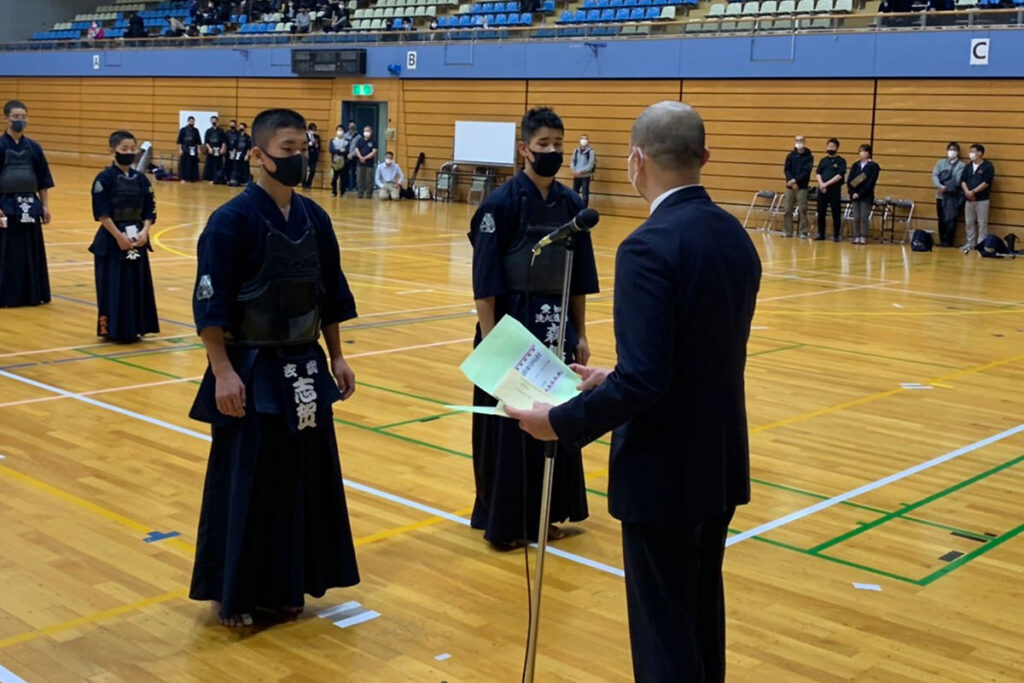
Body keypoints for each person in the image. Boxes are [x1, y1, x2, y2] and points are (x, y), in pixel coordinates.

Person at [505, 101, 761, 683]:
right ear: (706, 159)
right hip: (716, 462)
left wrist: (561, 419)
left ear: (635, 161)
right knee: (699, 615)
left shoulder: (647, 246)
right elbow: (683, 360)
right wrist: (611, 377)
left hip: (663, 471)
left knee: (663, 630)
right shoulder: (734, 235)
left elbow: (649, 380)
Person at [188, 108, 360, 628]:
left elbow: (328, 292)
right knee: (249, 481)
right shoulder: (230, 222)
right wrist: (222, 371)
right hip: (251, 368)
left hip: (304, 367)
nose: (299, 158)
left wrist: (337, 355)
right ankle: (233, 594)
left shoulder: (315, 217)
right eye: (287, 150)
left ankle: (289, 586)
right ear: (258, 156)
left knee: (302, 479)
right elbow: (209, 302)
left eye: (303, 149)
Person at [467, 106, 598, 548]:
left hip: (555, 333)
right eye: (543, 145)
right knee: (508, 430)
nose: (552, 152)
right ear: (524, 148)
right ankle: (504, 522)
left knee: (554, 423)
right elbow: (484, 285)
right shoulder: (499, 206)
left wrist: (580, 334)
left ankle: (545, 514)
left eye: (558, 145)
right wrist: (492, 344)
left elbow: (578, 281)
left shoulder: (572, 206)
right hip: (508, 333)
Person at [89, 130, 160, 343]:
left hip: (137, 236)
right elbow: (101, 213)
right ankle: (113, 329)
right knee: (114, 285)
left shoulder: (141, 179)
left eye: (132, 149)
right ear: (113, 151)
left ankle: (137, 326)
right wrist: (118, 236)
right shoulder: (104, 179)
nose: (129, 153)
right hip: (112, 238)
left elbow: (150, 209)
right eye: (124, 149)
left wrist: (145, 231)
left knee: (136, 284)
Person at [0, 100, 54, 308]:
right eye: (16, 117)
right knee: (7, 250)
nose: (20, 121)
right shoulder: (1, 146)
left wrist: (45, 206)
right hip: (6, 204)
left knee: (31, 249)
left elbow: (43, 180)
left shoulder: (34, 147)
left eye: (23, 117)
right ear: (6, 118)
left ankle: (32, 293)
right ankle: (7, 295)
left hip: (30, 205)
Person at [960, 143, 994, 253]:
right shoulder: (968, 166)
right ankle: (970, 243)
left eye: (973, 151)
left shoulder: (988, 166)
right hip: (968, 200)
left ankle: (981, 244)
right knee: (969, 222)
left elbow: (986, 182)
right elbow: (963, 180)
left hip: (982, 200)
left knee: (982, 223)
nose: (971, 154)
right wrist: (967, 192)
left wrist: (974, 192)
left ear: (980, 153)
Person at [932, 142, 965, 248]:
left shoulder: (961, 165)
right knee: (941, 219)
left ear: (958, 152)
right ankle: (942, 241)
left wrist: (947, 187)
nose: (952, 151)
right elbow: (935, 175)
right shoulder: (940, 163)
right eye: (950, 149)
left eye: (954, 150)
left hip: (952, 196)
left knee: (951, 219)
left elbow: (957, 179)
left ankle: (948, 241)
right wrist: (939, 186)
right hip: (940, 196)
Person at [847, 143, 880, 245]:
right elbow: (850, 181)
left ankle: (863, 236)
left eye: (864, 151)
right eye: (860, 151)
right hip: (854, 195)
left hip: (866, 195)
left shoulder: (873, 166)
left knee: (863, 217)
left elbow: (870, 183)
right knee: (856, 216)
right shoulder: (855, 165)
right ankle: (856, 236)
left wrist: (860, 193)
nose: (862, 153)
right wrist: (852, 192)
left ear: (868, 153)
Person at [815, 137, 846, 242]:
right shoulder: (823, 160)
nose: (830, 148)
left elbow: (840, 175)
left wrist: (826, 184)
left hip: (834, 190)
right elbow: (818, 173)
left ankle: (836, 235)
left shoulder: (841, 161)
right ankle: (821, 233)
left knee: (836, 213)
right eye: (828, 146)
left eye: (832, 146)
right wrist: (821, 185)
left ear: (837, 148)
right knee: (821, 212)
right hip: (822, 190)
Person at [781, 134, 813, 237]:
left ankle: (803, 231)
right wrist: (791, 181)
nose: (799, 142)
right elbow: (786, 169)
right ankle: (787, 231)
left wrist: (795, 181)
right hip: (790, 187)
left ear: (804, 141)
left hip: (802, 187)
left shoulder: (809, 157)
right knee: (787, 210)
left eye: (801, 140)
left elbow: (806, 172)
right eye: (797, 140)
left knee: (802, 210)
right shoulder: (790, 155)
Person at [570, 134, 596, 207]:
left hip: (585, 176)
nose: (583, 140)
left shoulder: (591, 152)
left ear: (588, 141)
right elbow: (572, 161)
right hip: (576, 175)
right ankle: (574, 208)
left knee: (585, 194)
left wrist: (581, 171)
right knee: (574, 193)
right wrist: (573, 170)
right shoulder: (576, 151)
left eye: (585, 139)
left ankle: (584, 209)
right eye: (582, 138)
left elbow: (590, 164)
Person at [354, 125, 377, 199]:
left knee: (369, 179)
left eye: (368, 131)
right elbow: (356, 149)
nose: (366, 132)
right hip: (359, 162)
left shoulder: (374, 141)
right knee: (360, 178)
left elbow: (374, 152)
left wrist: (365, 158)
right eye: (365, 131)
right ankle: (360, 193)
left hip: (369, 163)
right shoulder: (360, 140)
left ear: (371, 132)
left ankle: (368, 194)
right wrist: (360, 157)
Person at [177, 116, 202, 182]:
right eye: (190, 121)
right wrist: (180, 149)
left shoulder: (196, 130)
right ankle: (183, 178)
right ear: (188, 121)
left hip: (193, 149)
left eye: (193, 121)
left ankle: (193, 178)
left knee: (193, 163)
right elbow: (179, 141)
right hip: (185, 149)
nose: (192, 122)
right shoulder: (183, 130)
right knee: (184, 164)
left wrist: (199, 149)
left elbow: (198, 141)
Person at [203, 116, 227, 184]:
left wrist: (222, 148)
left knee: (218, 164)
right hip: (211, 150)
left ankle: (217, 178)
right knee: (210, 164)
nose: (213, 121)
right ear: (210, 121)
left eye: (215, 120)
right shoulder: (208, 131)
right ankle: (209, 178)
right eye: (212, 120)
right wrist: (209, 148)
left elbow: (224, 141)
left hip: (218, 150)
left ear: (217, 121)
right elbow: (206, 141)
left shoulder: (221, 130)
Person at [228, 121, 253, 186]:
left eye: (242, 127)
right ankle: (237, 180)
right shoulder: (237, 137)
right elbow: (235, 147)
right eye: (240, 127)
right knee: (236, 168)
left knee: (245, 168)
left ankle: (246, 181)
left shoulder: (248, 137)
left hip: (244, 154)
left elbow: (249, 148)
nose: (240, 128)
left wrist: (247, 155)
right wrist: (233, 154)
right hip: (237, 155)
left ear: (245, 128)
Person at [329, 124, 348, 197]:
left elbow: (346, 151)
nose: (339, 132)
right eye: (338, 130)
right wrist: (340, 150)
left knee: (343, 178)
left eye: (341, 130)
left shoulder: (346, 142)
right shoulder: (333, 141)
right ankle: (334, 191)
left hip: (343, 162)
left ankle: (342, 192)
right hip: (335, 162)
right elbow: (331, 150)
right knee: (334, 178)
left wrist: (338, 151)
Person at [302, 122, 321, 190]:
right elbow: (303, 145)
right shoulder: (304, 136)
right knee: (304, 171)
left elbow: (319, 147)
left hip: (313, 156)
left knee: (312, 170)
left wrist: (316, 145)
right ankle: (304, 184)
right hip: (306, 155)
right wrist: (310, 143)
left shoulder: (317, 137)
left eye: (314, 130)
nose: (313, 131)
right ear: (308, 130)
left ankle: (309, 184)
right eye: (312, 130)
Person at [345, 120, 359, 193]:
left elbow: (359, 147)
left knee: (355, 172)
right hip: (346, 156)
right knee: (346, 172)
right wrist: (347, 154)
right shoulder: (345, 136)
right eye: (350, 126)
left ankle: (354, 187)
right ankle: (346, 186)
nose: (352, 127)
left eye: (353, 126)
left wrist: (352, 154)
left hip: (355, 157)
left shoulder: (359, 137)